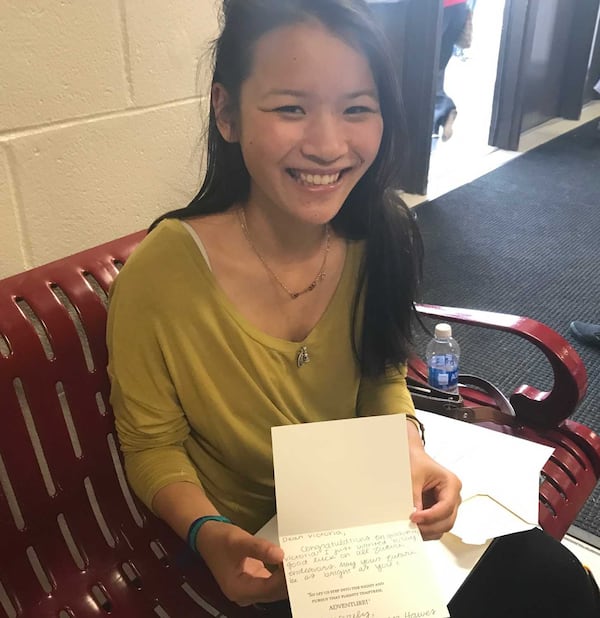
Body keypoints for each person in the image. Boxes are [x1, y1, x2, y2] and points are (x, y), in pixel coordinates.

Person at [106, 1, 600, 615]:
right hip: (270, 550)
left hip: (371, 518)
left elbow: (382, 372)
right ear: (227, 112)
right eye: (291, 107)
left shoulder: (377, 233)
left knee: (557, 583)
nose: (328, 145)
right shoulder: (164, 275)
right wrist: (208, 533)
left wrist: (410, 450)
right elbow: (152, 445)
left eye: (357, 109)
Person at [433, 0, 471, 141]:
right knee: (437, 66)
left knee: (424, 66)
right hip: (458, 8)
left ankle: (444, 109)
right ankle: (440, 115)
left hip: (437, 9)